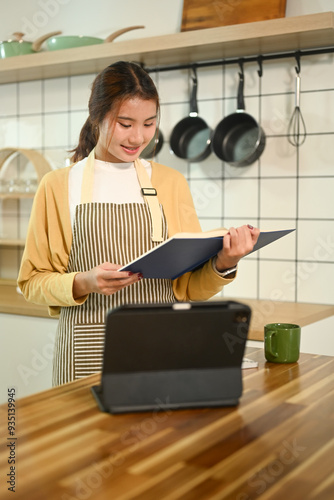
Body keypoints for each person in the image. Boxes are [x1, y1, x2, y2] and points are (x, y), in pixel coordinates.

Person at [17, 61, 260, 386]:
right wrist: (84, 282)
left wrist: (225, 262)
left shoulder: (171, 182)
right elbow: (31, 282)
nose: (138, 137)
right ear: (97, 116)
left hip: (163, 347)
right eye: (125, 123)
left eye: (149, 123)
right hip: (88, 354)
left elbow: (188, 289)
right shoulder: (58, 185)